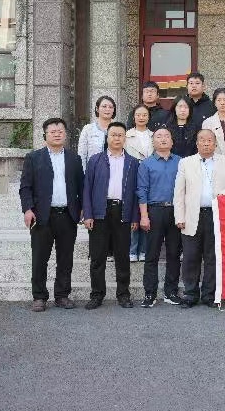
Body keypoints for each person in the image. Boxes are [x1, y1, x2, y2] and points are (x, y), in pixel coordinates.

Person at [19, 117, 84, 312]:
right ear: (45, 135)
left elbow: (81, 186)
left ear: (65, 135)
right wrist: (28, 209)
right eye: (53, 132)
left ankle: (62, 295)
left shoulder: (74, 159)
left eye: (60, 131)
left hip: (67, 215)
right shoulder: (33, 158)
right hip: (42, 216)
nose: (57, 134)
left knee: (65, 259)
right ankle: (39, 297)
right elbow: (25, 187)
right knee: (40, 258)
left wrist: (82, 208)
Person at [174, 129, 225, 308]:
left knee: (212, 257)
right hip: (191, 216)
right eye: (202, 140)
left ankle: (209, 295)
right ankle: (190, 294)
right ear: (197, 143)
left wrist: (223, 193)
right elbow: (179, 192)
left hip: (216, 215)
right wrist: (179, 216)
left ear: (215, 143)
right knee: (190, 256)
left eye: (209, 140)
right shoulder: (186, 163)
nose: (206, 143)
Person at [82, 122, 140, 309]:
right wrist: (88, 214)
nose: (117, 138)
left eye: (120, 135)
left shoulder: (132, 162)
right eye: (113, 134)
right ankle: (97, 294)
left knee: (122, 256)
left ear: (125, 138)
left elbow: (136, 192)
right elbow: (87, 189)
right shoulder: (95, 160)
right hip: (100, 212)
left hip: (122, 211)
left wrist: (135, 217)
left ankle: (123, 294)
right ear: (107, 137)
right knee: (97, 257)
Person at [136, 127, 183, 308]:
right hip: (154, 211)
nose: (163, 139)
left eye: (166, 136)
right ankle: (150, 293)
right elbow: (142, 191)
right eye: (159, 136)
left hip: (176, 211)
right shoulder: (146, 164)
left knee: (174, 253)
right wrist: (144, 216)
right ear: (153, 141)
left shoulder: (181, 162)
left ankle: (171, 292)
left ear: (172, 141)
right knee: (152, 254)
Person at [125, 104, 154, 262]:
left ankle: (143, 249)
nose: (141, 117)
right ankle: (132, 249)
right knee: (133, 210)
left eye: (144, 114)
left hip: (150, 176)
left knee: (147, 209)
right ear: (133, 117)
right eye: (138, 115)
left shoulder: (154, 135)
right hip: (132, 175)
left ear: (149, 117)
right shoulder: (126, 135)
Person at [78, 95, 115, 171]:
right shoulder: (88, 129)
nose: (107, 109)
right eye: (104, 106)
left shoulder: (118, 129)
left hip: (114, 171)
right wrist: (84, 174)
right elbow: (82, 155)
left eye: (110, 107)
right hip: (93, 171)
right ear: (97, 109)